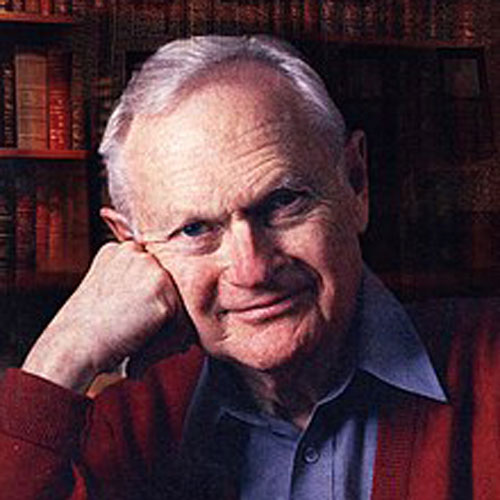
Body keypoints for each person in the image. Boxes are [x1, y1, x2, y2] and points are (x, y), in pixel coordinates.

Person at [0, 35, 498, 500]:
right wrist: (62, 353)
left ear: (356, 183)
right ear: (130, 246)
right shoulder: (117, 430)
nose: (252, 268)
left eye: (283, 202)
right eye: (195, 229)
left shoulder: (488, 371)